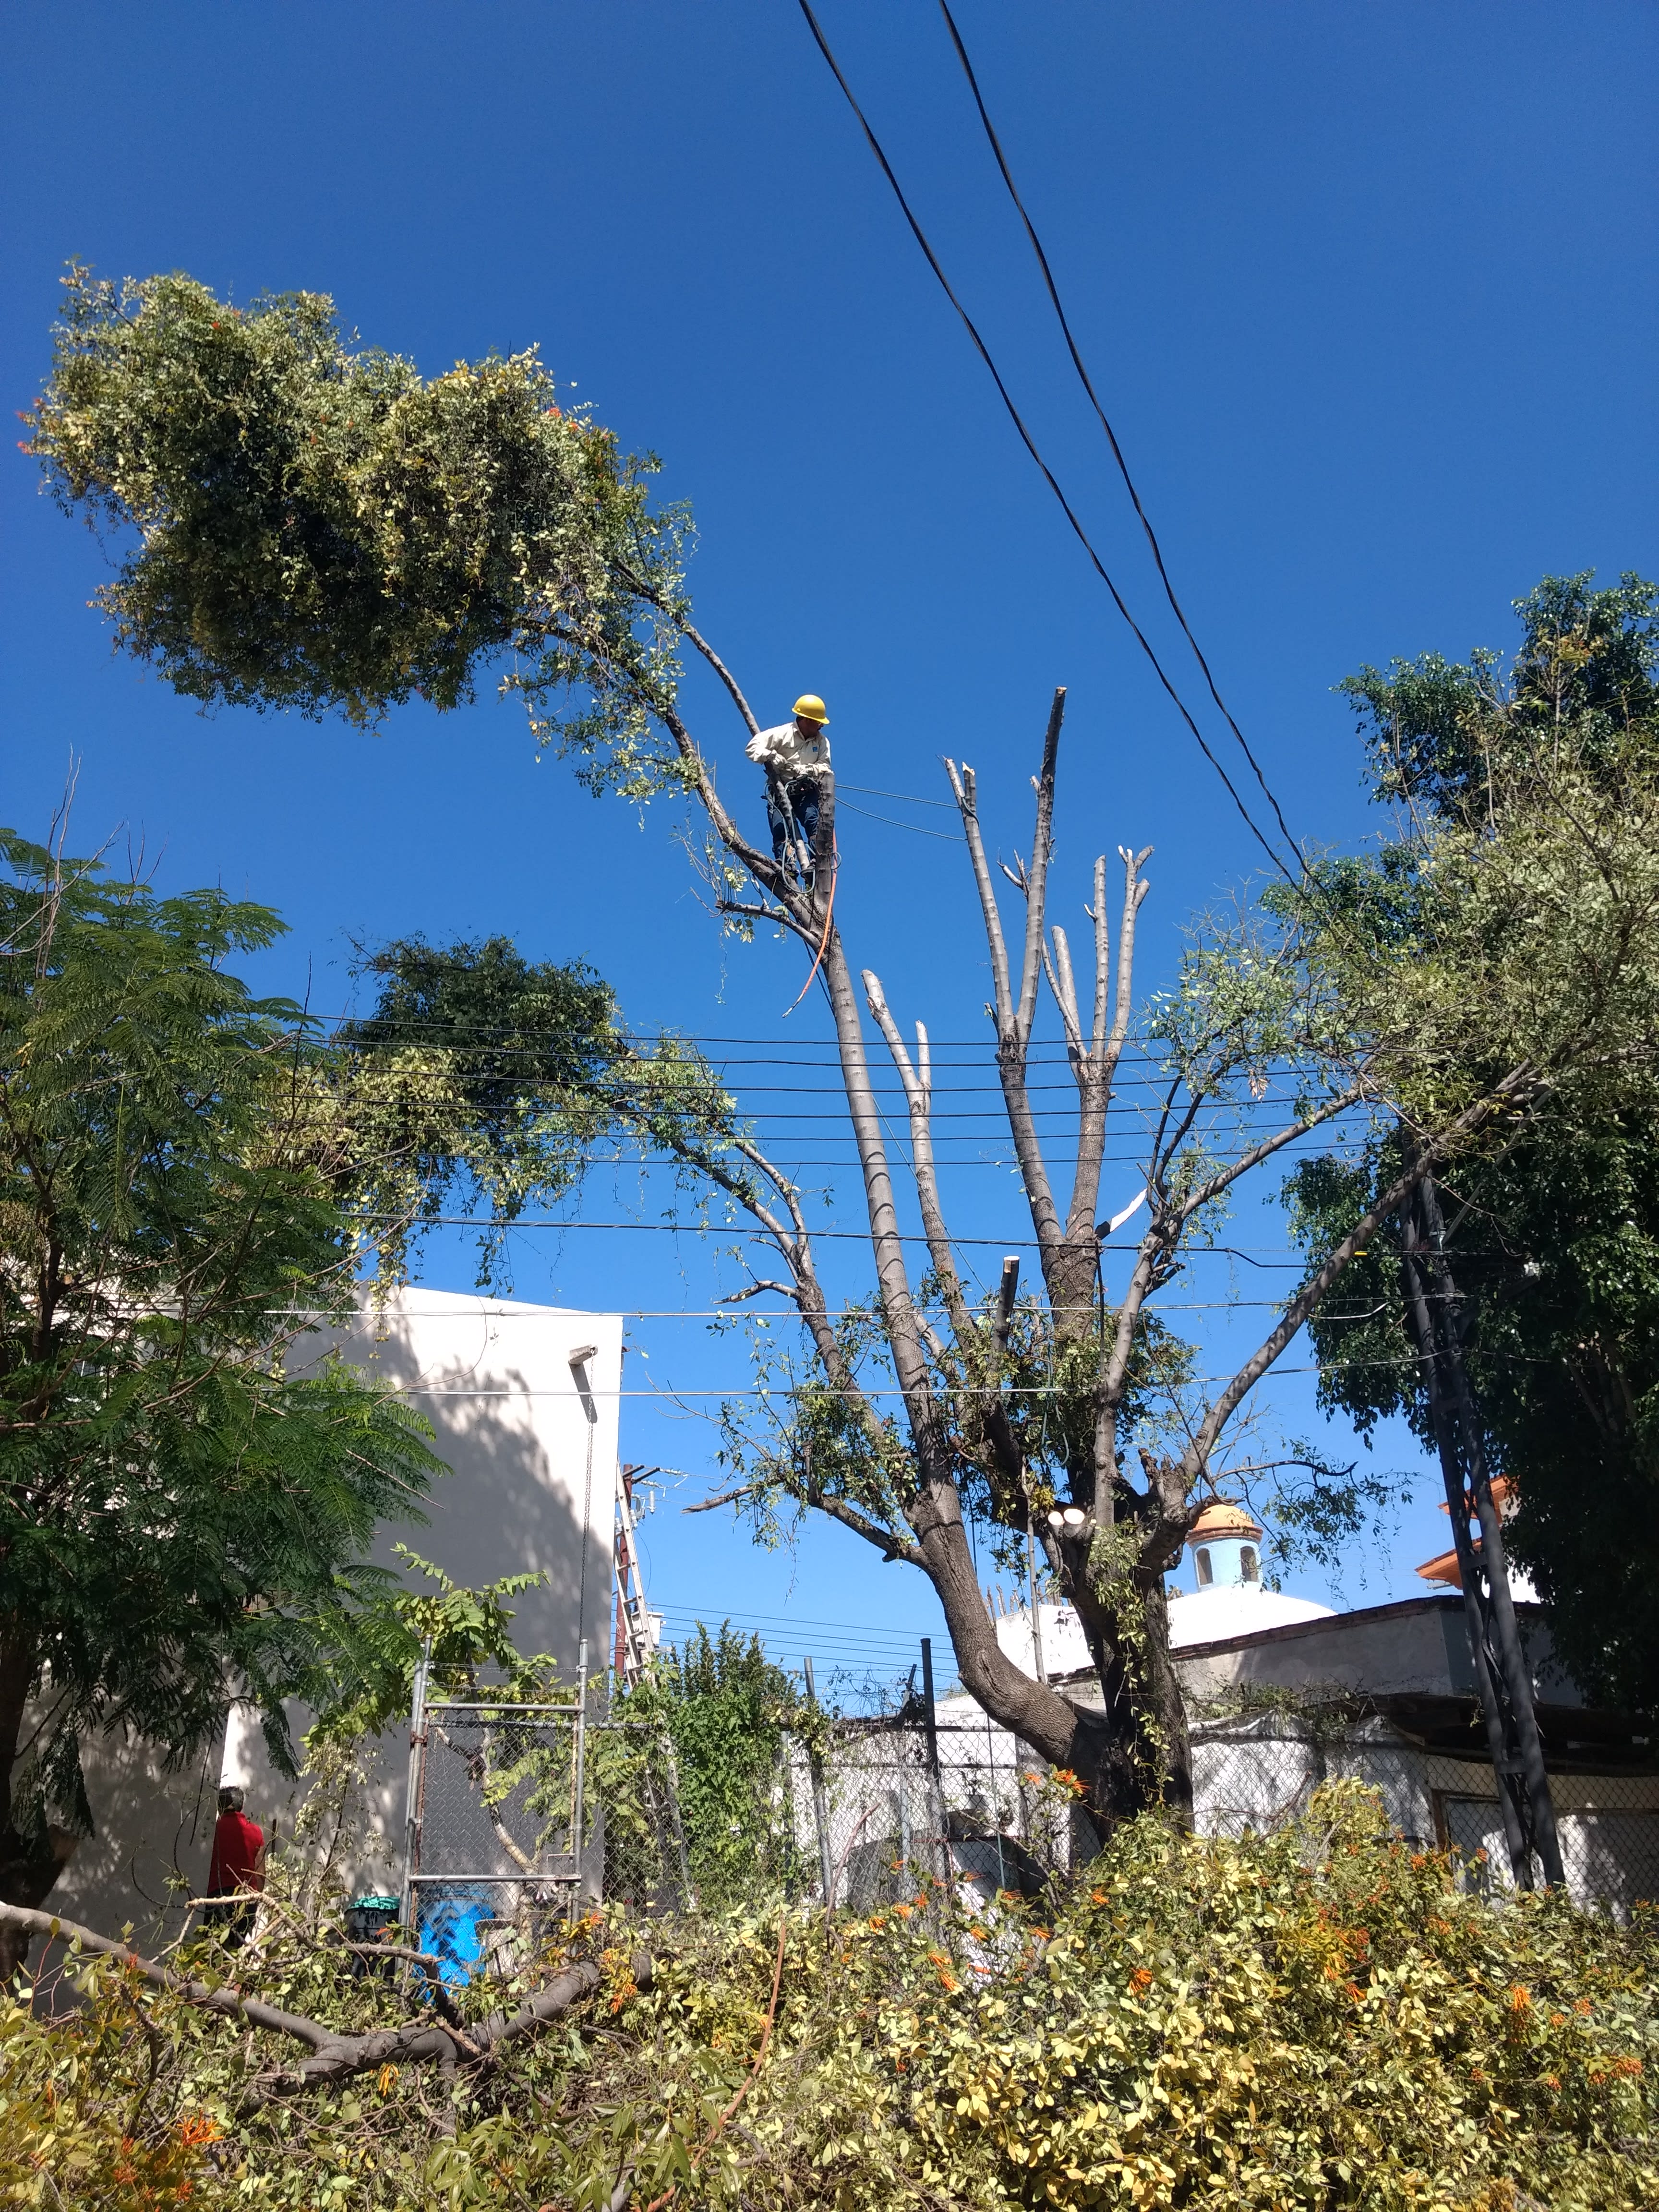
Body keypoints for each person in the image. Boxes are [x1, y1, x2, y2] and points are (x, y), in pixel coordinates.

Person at [746, 694, 831, 878]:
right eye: (818, 723)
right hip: (780, 790)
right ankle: (787, 866)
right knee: (780, 828)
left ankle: (819, 862)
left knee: (812, 821)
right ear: (806, 720)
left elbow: (825, 767)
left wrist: (807, 770)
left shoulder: (822, 742)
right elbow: (752, 748)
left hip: (805, 792)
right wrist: (771, 756)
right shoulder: (781, 734)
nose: (821, 726)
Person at [203, 1784, 265, 1948]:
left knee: (211, 1951)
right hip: (246, 1899)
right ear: (241, 1806)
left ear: (219, 1806)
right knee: (235, 1951)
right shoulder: (256, 1832)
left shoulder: (212, 1830)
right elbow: (260, 1875)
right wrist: (255, 1902)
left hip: (217, 1898)